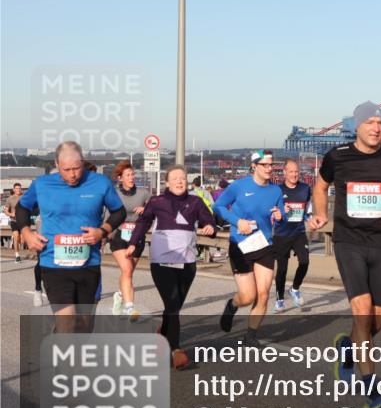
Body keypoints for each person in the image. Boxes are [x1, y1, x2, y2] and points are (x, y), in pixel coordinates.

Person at [307, 101, 381, 408]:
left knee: (376, 324)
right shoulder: (337, 156)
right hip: (348, 242)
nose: (376, 127)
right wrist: (321, 212)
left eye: (380, 123)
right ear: (357, 126)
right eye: (369, 122)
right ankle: (373, 392)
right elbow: (320, 186)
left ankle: (347, 348)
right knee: (363, 312)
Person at [15, 142, 126, 332]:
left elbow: (119, 212)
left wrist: (102, 231)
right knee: (67, 324)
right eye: (67, 170)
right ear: (57, 164)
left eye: (77, 168)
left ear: (83, 162)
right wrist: (26, 232)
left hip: (88, 264)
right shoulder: (42, 184)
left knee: (83, 327)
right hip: (53, 264)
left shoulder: (100, 182)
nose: (73, 174)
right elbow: (22, 207)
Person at [127, 165, 215, 369]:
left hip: (187, 261)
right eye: (175, 178)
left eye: (183, 178)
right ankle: (175, 350)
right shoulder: (157, 201)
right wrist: (133, 243)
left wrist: (209, 225)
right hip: (162, 260)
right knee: (173, 303)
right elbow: (143, 222)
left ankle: (163, 332)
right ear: (167, 182)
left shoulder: (195, 201)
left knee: (174, 306)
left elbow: (207, 219)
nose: (179, 182)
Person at [213, 150, 285, 346]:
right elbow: (218, 207)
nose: (270, 169)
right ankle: (233, 304)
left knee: (263, 294)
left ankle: (250, 336)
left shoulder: (276, 191)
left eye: (272, 165)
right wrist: (237, 221)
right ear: (254, 166)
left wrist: (280, 216)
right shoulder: (239, 186)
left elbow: (282, 217)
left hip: (264, 245)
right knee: (248, 296)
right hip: (240, 245)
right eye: (265, 165)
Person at [108, 160, 151, 321]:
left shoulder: (144, 193)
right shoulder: (113, 194)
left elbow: (157, 208)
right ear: (120, 178)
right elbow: (107, 213)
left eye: (133, 174)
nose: (132, 177)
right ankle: (129, 307)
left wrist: (146, 209)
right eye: (128, 175)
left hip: (137, 236)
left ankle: (119, 295)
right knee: (127, 270)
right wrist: (105, 234)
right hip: (119, 235)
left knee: (129, 272)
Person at [273, 159, 312, 312]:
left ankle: (295, 288)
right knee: (282, 270)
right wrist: (279, 213)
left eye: (296, 172)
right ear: (284, 173)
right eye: (291, 172)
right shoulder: (277, 190)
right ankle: (280, 300)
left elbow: (308, 207)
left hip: (299, 232)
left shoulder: (305, 188)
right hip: (282, 234)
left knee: (305, 261)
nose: (294, 174)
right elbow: (271, 210)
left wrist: (310, 217)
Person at [4, 183, 24, 262]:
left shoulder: (24, 198)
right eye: (16, 188)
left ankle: (19, 241)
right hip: (14, 221)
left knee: (22, 240)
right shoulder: (10, 198)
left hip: (23, 221)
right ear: (14, 189)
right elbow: (6, 211)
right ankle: (17, 255)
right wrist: (11, 214)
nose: (18, 190)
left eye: (19, 188)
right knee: (16, 236)